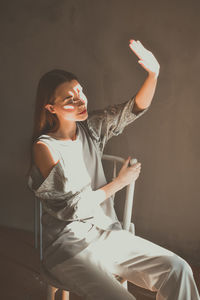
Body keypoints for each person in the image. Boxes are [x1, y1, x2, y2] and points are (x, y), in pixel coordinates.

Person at [28, 40, 200, 300]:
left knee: (177, 269)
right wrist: (119, 182)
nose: (80, 101)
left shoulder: (91, 129)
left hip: (107, 234)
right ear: (50, 108)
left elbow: (132, 110)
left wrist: (153, 74)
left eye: (80, 92)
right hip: (68, 246)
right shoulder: (45, 147)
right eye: (69, 99)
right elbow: (72, 208)